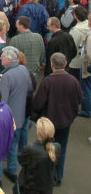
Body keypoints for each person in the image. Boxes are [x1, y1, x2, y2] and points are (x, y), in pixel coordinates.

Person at [32, 52, 83, 186]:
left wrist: (36, 117)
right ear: (66, 64)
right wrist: (71, 115)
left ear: (52, 64)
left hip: (49, 123)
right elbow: (79, 99)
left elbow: (38, 103)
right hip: (66, 122)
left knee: (46, 148)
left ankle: (46, 175)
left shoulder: (47, 81)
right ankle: (57, 176)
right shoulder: (73, 81)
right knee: (62, 148)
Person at [0, 46, 33, 183]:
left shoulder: (8, 76)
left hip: (9, 120)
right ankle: (13, 170)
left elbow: (1, 102)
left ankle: (1, 177)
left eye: (2, 57)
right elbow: (28, 90)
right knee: (14, 146)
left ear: (9, 60)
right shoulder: (23, 69)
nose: (0, 58)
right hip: (20, 116)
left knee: (3, 148)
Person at [18, 117, 61, 194]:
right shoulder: (57, 148)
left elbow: (21, 160)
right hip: (48, 187)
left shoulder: (30, 150)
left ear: (38, 132)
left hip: (32, 188)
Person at [68, 7, 89, 80]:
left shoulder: (75, 30)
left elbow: (71, 47)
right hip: (87, 61)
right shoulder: (89, 26)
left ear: (75, 16)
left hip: (76, 62)